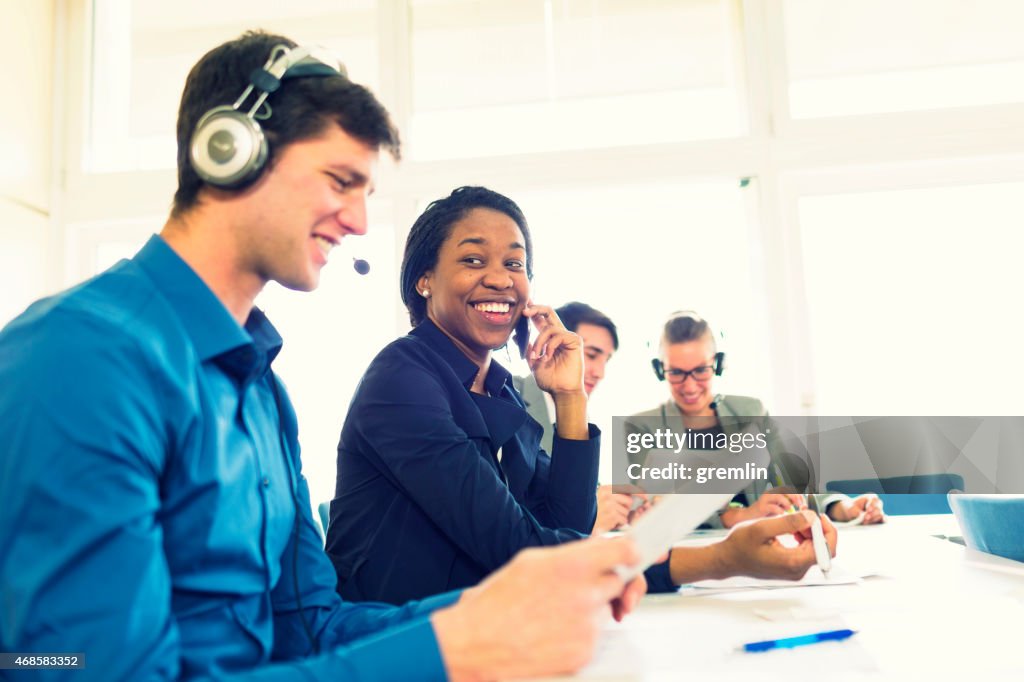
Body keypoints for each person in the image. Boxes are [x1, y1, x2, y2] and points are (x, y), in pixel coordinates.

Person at [0, 31, 651, 682]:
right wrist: (451, 649)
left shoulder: (258, 391)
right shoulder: (83, 361)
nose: (361, 221)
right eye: (341, 181)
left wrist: (501, 609)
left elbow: (309, 625)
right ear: (230, 151)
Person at [326, 186, 838, 607]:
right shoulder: (402, 381)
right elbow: (516, 548)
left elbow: (565, 523)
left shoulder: (500, 389)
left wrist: (570, 399)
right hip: (397, 645)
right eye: (473, 259)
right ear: (423, 279)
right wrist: (720, 559)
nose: (501, 279)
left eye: (516, 263)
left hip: (488, 630)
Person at [628, 310, 885, 528]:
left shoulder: (750, 411)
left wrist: (844, 507)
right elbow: (653, 513)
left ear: (717, 364)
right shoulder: (641, 428)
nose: (690, 385)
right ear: (660, 370)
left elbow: (793, 485)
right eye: (676, 373)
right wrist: (742, 515)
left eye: (700, 370)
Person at [513, 302, 643, 533]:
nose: (599, 373)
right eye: (592, 355)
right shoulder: (510, 395)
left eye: (606, 360)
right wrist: (592, 519)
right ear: (553, 343)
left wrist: (621, 512)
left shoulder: (579, 418)